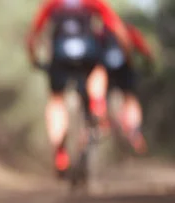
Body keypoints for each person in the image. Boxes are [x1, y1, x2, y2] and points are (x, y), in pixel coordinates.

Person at [26, 0, 131, 177]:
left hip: (60, 55)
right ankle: (97, 105)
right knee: (99, 70)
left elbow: (33, 34)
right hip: (88, 53)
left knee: (56, 99)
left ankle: (60, 152)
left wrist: (34, 59)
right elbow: (118, 29)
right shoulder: (94, 2)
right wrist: (127, 56)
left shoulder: (52, 3)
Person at [100, 22, 153, 153]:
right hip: (125, 69)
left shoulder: (102, 32)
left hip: (105, 71)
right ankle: (134, 131)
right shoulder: (130, 30)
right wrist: (149, 64)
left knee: (101, 97)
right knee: (130, 98)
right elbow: (146, 52)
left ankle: (102, 120)